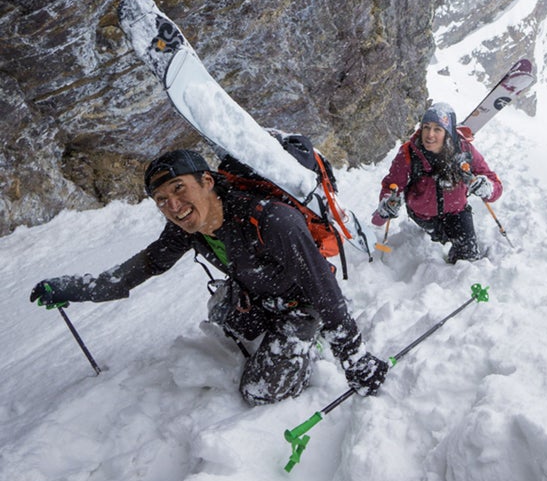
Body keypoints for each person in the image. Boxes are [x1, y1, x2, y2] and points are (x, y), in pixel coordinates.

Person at [30, 149, 388, 406]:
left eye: (178, 189)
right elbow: (142, 267)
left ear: (206, 181)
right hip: (257, 293)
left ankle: (311, 339)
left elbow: (324, 291)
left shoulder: (271, 220)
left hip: (302, 303)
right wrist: (75, 288)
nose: (172, 205)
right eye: (161, 199)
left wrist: (355, 359)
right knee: (222, 317)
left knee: (259, 393)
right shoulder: (190, 226)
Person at [373, 102, 502, 262]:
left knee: (469, 258)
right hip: (424, 217)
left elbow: (495, 184)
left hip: (457, 213)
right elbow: (391, 186)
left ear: (448, 132)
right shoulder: (408, 153)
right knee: (440, 238)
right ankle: (441, 239)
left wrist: (487, 188)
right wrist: (386, 206)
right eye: (426, 127)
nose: (430, 134)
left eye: (437, 129)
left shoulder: (465, 150)